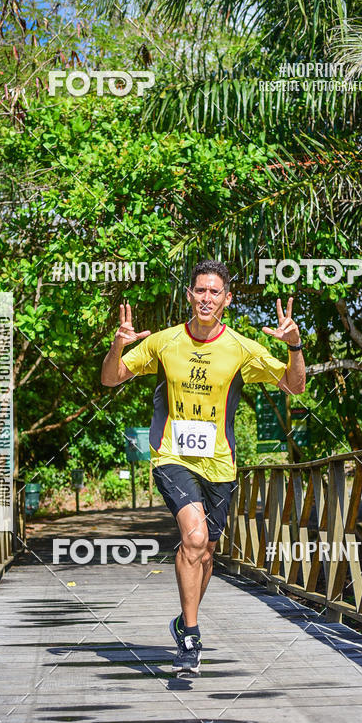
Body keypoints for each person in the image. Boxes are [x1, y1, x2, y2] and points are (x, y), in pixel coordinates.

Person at [101, 259, 305, 674]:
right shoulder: (164, 341)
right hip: (172, 456)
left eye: (215, 292)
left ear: (227, 299)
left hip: (220, 464)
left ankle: (181, 620)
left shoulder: (242, 348)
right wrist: (118, 345)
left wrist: (295, 347)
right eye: (200, 291)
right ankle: (191, 636)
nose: (206, 298)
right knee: (193, 539)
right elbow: (111, 378)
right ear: (189, 295)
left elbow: (294, 385)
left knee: (207, 551)